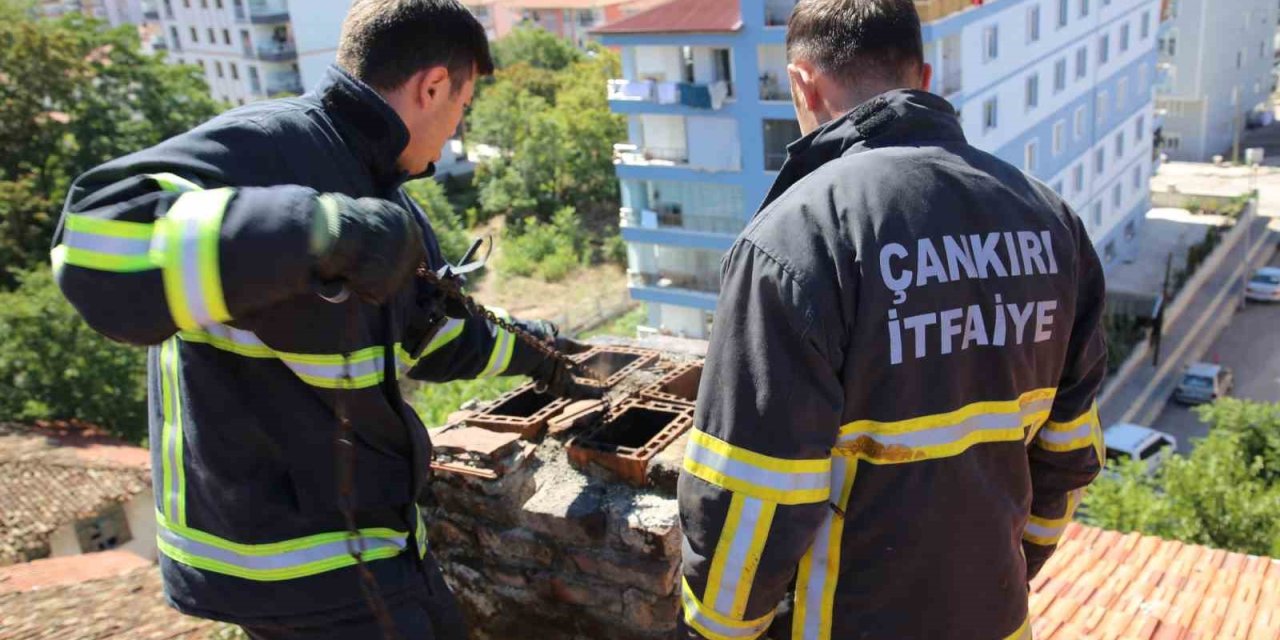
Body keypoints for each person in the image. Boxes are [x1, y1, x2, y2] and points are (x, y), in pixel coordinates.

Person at [51, 1, 592, 637]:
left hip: (336, 553)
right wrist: (325, 232)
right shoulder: (263, 149)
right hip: (306, 561)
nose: (453, 135)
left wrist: (543, 355)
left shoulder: (381, 191)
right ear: (433, 87)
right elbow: (95, 250)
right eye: (461, 110)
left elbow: (436, 331)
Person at [677, 1, 1108, 638]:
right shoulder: (1051, 221)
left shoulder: (798, 239)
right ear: (924, 77)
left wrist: (714, 630)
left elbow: (752, 490)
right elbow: (1071, 450)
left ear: (803, 84)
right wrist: (1015, 564)